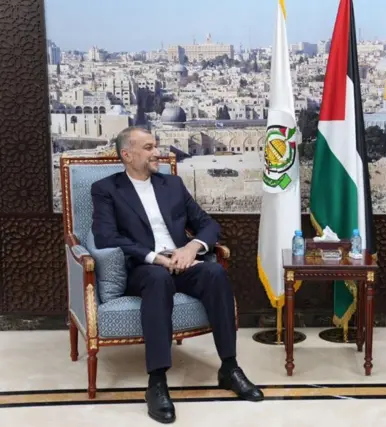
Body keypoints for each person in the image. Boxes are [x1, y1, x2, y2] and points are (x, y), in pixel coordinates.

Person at [91, 126, 263, 424]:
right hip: (143, 268)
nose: (156, 152)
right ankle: (157, 382)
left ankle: (229, 368)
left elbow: (207, 224)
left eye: (154, 146)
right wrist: (155, 258)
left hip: (181, 261)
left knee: (215, 274)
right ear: (127, 155)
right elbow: (105, 236)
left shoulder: (172, 184)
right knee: (158, 279)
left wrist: (192, 248)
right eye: (147, 148)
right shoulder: (106, 189)